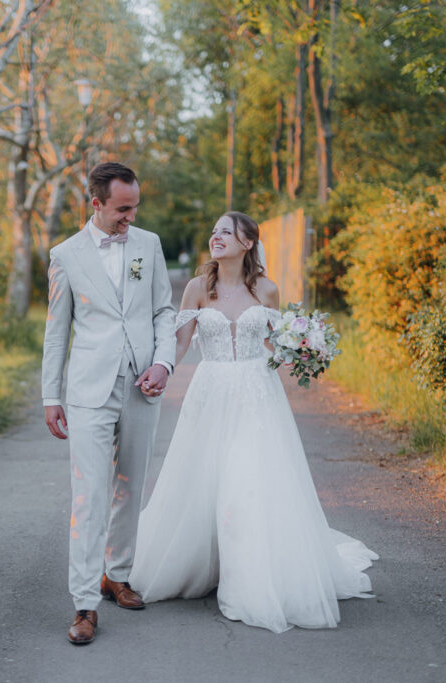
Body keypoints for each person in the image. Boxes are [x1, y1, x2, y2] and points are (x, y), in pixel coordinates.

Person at [128, 211, 378, 633]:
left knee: (247, 481)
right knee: (202, 478)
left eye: (226, 232)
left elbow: (273, 343)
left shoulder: (267, 289)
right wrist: (161, 370)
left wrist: (304, 348)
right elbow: (180, 342)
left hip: (256, 395)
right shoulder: (197, 288)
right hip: (211, 392)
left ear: (247, 243)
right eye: (214, 231)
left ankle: (250, 575)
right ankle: (200, 563)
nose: (216, 237)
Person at [41, 162, 176, 644]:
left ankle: (116, 575)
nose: (130, 217)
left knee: (130, 487)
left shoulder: (148, 244)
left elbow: (164, 310)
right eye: (122, 209)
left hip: (142, 386)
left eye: (135, 207)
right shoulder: (65, 255)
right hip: (89, 391)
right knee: (89, 496)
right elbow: (56, 331)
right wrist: (51, 395)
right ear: (96, 204)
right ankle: (84, 604)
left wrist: (164, 363)